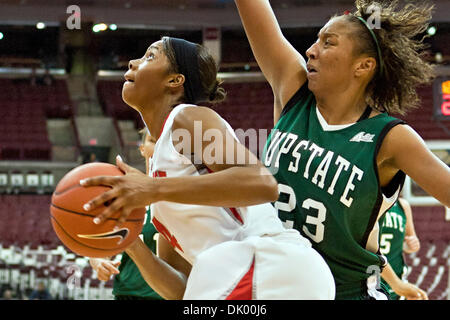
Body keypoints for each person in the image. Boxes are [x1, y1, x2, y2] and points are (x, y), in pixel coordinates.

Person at [80, 36, 335, 300]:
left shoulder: (187, 118)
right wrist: (131, 243)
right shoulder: (160, 195)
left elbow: (262, 183)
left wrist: (153, 189)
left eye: (150, 56)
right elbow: (182, 289)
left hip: (267, 266)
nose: (133, 62)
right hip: (239, 277)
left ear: (174, 80)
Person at [233, 0, 450, 300]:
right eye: (316, 40)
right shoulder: (293, 90)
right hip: (274, 289)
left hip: (347, 293)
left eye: (328, 42)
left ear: (363, 66)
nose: (311, 50)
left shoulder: (391, 137)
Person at [89, 130, 163, 300]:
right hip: (128, 294)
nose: (160, 145)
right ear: (143, 148)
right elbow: (100, 244)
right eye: (153, 140)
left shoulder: (187, 196)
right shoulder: (127, 194)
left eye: (165, 141)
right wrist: (99, 261)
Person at [379, 197, 428, 300]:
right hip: (371, 278)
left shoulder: (403, 205)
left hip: (397, 282)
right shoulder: (368, 200)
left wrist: (411, 245)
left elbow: (408, 243)